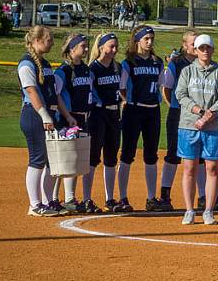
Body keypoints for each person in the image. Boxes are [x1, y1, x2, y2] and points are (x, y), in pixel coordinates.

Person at [18, 25, 75, 216]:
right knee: (38, 159)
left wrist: (66, 116)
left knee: (52, 161)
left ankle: (48, 201)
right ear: (36, 41)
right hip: (34, 115)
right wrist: (44, 116)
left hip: (50, 116)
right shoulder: (27, 63)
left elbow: (55, 95)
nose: (51, 42)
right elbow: (31, 91)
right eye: (48, 39)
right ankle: (34, 205)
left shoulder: (47, 65)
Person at [175, 34, 218, 225]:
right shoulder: (188, 71)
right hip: (189, 125)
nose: (205, 51)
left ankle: (208, 210)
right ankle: (189, 210)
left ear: (212, 50)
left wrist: (208, 115)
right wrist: (198, 111)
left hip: (213, 127)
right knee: (189, 168)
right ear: (195, 51)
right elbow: (180, 94)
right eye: (201, 48)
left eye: (208, 48)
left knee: (212, 168)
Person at [118, 25, 166, 213]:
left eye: (151, 38)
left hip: (152, 111)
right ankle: (122, 197)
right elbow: (122, 87)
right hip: (133, 110)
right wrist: (126, 101)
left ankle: (151, 198)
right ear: (137, 40)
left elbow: (161, 85)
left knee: (151, 156)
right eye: (146, 38)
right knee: (127, 154)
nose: (149, 42)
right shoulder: (128, 63)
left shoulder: (157, 62)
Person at [54, 33, 95, 213]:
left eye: (87, 46)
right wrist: (67, 116)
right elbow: (56, 95)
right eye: (82, 46)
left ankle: (70, 198)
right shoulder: (63, 71)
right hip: (69, 119)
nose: (86, 49)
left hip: (83, 118)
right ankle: (53, 199)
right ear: (72, 49)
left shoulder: (86, 69)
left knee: (76, 161)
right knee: (63, 160)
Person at [160, 30, 200, 211]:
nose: (197, 47)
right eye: (193, 44)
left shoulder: (204, 62)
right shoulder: (176, 64)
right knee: (173, 154)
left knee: (199, 156)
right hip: (178, 113)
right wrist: (174, 106)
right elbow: (167, 88)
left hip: (199, 116)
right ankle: (165, 195)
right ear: (184, 45)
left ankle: (204, 197)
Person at [88, 33, 123, 212]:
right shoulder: (93, 68)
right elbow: (90, 92)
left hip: (114, 115)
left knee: (111, 157)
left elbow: (123, 90)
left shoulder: (118, 67)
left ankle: (110, 199)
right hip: (98, 115)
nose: (114, 50)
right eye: (111, 46)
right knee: (93, 157)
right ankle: (87, 198)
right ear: (101, 47)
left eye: (116, 46)